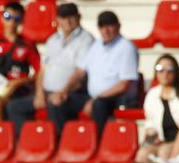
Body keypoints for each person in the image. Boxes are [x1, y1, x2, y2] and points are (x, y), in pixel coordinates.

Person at [5, 3, 94, 139]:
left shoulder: (86, 39)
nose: (67, 21)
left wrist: (63, 91)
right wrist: (39, 93)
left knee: (55, 104)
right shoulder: (53, 40)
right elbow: (43, 69)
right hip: (48, 92)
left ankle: (58, 144)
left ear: (78, 17)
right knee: (14, 107)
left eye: (71, 17)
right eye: (63, 17)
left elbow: (80, 72)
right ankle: (32, 140)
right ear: (58, 19)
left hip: (73, 92)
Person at [50, 10, 140, 140]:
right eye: (102, 26)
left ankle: (98, 143)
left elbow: (123, 85)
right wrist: (63, 92)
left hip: (117, 98)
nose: (106, 30)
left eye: (109, 26)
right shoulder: (96, 45)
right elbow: (80, 72)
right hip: (94, 97)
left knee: (99, 106)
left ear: (118, 26)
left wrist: (95, 100)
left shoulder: (126, 48)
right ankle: (65, 141)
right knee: (58, 103)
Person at [136, 53, 179, 163]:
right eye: (160, 69)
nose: (165, 74)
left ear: (176, 72)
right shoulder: (152, 95)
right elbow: (150, 123)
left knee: (164, 152)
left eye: (169, 70)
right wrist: (151, 136)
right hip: (162, 140)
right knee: (142, 155)